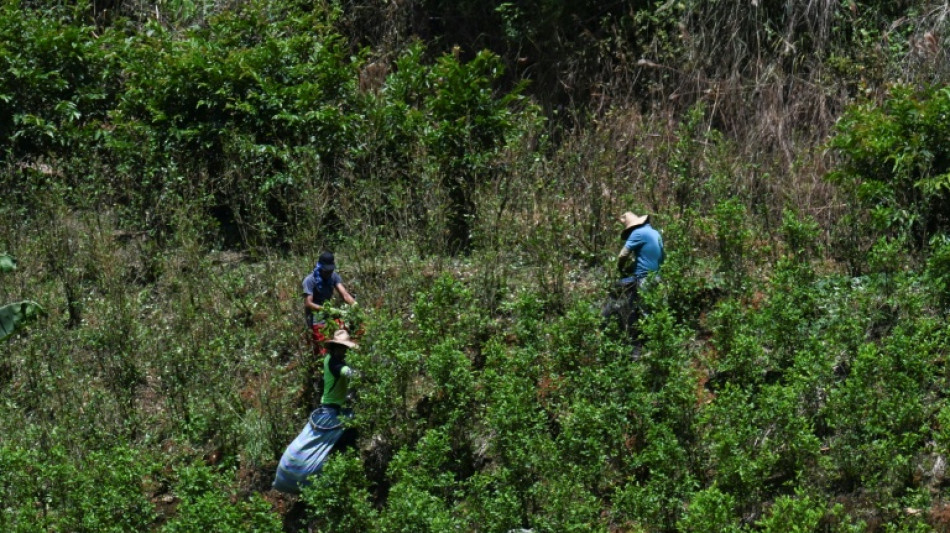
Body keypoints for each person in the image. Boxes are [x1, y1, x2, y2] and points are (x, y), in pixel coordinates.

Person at [607, 211, 665, 343]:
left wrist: (620, 268)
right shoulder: (655, 233)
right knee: (657, 309)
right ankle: (661, 342)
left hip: (644, 278)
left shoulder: (637, 233)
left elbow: (622, 255)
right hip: (658, 277)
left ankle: (647, 343)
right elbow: (660, 257)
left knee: (643, 311)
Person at [302, 251, 356, 353]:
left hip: (329, 317)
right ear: (320, 267)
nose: (328, 273)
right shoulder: (310, 280)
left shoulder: (333, 277)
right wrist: (328, 309)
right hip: (316, 319)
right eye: (326, 271)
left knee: (343, 336)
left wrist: (354, 305)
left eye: (330, 270)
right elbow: (308, 303)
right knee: (322, 349)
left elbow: (344, 294)